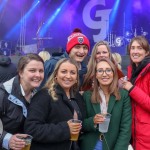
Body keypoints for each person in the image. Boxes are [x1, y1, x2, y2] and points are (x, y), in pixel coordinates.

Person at [24, 58, 85, 150]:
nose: (68, 76)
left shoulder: (78, 97)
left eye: (72, 73)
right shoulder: (44, 95)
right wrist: (65, 129)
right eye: (64, 72)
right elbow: (31, 129)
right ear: (56, 74)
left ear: (76, 78)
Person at [80, 58, 131, 150]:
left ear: (113, 73)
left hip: (113, 145)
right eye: (100, 71)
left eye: (108, 70)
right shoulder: (87, 96)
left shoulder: (123, 95)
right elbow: (81, 124)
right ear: (95, 74)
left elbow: (126, 128)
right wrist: (93, 121)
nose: (104, 74)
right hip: (91, 145)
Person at [0, 53, 44, 150]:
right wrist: (6, 139)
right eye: (32, 70)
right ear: (20, 72)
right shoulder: (3, 93)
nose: (38, 75)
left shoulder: (38, 95)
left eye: (41, 71)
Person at [120, 36, 150, 150]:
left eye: (139, 48)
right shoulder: (132, 72)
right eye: (133, 48)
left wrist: (132, 89)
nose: (135, 51)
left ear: (146, 52)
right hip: (135, 135)